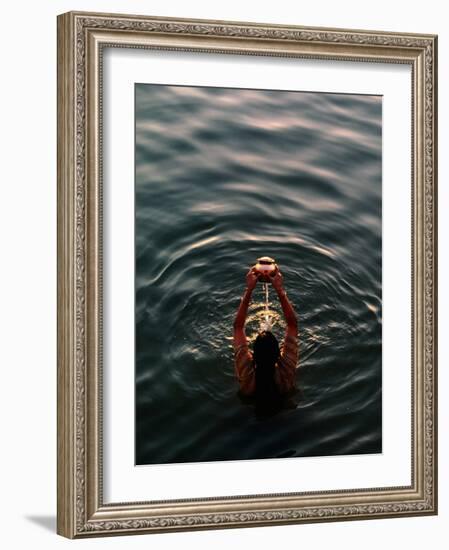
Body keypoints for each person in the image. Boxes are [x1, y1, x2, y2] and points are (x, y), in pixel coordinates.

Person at [233, 266, 298, 414]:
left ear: (252, 355)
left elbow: (238, 327)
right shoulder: (285, 374)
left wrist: (249, 290)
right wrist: (280, 291)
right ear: (278, 354)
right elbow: (292, 324)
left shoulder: (247, 378)